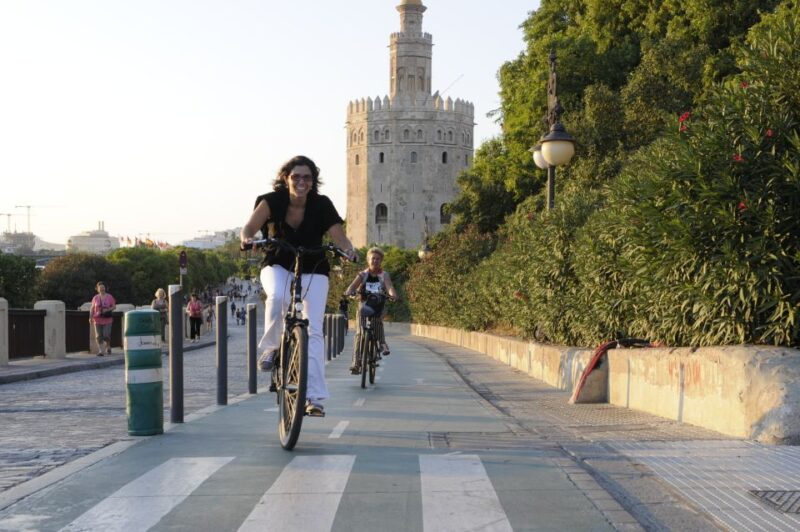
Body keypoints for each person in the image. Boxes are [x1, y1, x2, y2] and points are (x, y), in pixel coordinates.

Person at [241, 155, 356, 417]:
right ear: (286, 178)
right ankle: (271, 348)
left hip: (313, 267)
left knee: (314, 330)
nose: (301, 181)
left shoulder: (322, 204)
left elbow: (339, 237)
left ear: (313, 181)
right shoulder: (272, 201)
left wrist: (349, 251)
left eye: (307, 177)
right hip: (278, 263)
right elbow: (250, 226)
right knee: (279, 297)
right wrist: (247, 238)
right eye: (296, 177)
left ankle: (313, 397)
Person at [344, 247, 398, 374]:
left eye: (378, 259)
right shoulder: (362, 275)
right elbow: (352, 286)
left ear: (381, 261)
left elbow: (389, 287)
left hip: (378, 304)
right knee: (360, 333)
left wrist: (393, 295)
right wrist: (349, 292)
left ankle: (382, 343)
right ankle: (356, 363)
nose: (375, 261)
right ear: (368, 260)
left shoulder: (384, 275)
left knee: (377, 321)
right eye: (373, 258)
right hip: (364, 305)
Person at [90, 281, 116, 356]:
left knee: (106, 335)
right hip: (97, 319)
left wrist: (107, 309)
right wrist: (90, 317)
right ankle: (101, 351)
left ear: (105, 288)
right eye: (100, 288)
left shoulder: (109, 297)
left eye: (103, 288)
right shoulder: (95, 298)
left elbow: (114, 306)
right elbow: (92, 308)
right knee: (98, 336)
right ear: (97, 289)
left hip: (107, 319)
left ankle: (108, 346)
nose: (102, 289)